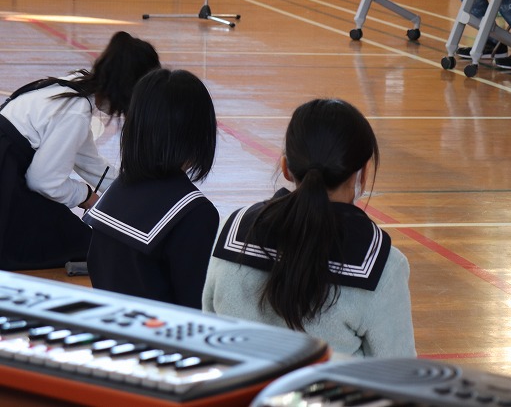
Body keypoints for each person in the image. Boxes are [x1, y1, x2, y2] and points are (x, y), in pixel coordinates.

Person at [203, 98, 415, 358]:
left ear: (285, 167)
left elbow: (209, 331)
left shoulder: (233, 232)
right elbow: (397, 373)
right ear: (363, 174)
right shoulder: (383, 266)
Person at [0, 31, 160, 270]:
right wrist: (85, 196)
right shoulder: (75, 111)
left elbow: (88, 161)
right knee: (86, 246)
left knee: (79, 239)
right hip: (6, 180)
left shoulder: (76, 87)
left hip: (9, 168)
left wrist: (136, 191)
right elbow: (43, 182)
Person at [86, 69, 219, 308]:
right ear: (199, 133)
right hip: (163, 340)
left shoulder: (116, 192)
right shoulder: (193, 212)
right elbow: (197, 307)